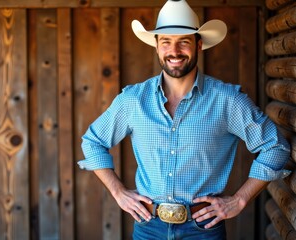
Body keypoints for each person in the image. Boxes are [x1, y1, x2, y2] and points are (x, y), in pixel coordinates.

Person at [78, 0, 291, 239]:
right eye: (166, 42)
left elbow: (276, 147)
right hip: (148, 228)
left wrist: (240, 200)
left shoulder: (227, 100)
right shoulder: (133, 100)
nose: (174, 51)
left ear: (199, 45)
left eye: (184, 42)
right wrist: (118, 192)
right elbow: (92, 141)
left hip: (203, 230)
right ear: (157, 47)